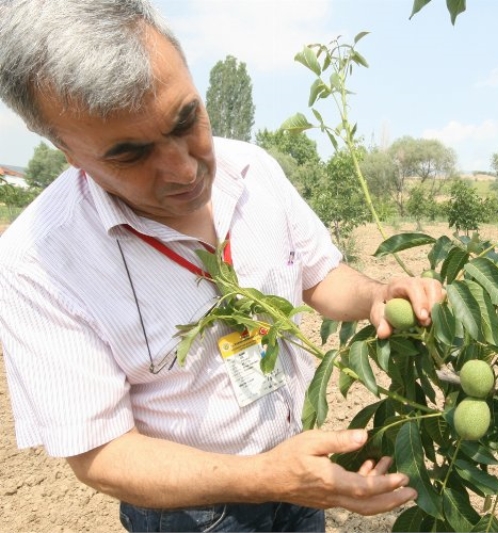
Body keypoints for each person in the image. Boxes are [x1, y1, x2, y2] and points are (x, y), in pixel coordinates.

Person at [0, 1, 444, 531]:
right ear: (67, 150)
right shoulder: (36, 263)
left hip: (300, 472)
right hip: (194, 512)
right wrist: (265, 477)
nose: (184, 169)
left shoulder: (254, 169)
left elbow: (322, 278)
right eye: (130, 155)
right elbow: (102, 455)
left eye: (187, 119)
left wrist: (374, 294)